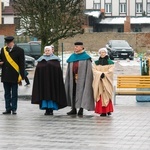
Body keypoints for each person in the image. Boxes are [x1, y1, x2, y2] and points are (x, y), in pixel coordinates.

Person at [31, 46, 67, 115]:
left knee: (52, 93)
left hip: (52, 82)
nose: (47, 52)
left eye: (48, 50)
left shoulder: (56, 60)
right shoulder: (41, 60)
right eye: (46, 50)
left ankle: (51, 109)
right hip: (43, 82)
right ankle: (46, 109)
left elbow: (58, 71)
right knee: (44, 94)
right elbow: (38, 71)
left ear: (52, 51)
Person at [65, 42, 94, 116]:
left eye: (77, 47)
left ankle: (81, 109)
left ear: (82, 47)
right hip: (73, 77)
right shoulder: (72, 56)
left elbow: (89, 70)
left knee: (82, 93)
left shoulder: (86, 57)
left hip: (82, 78)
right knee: (73, 92)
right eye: (75, 47)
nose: (75, 48)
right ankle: (73, 109)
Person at [0, 36, 25, 115]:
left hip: (15, 75)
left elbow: (22, 64)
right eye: (7, 43)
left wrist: (22, 75)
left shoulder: (20, 50)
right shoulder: (3, 50)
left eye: (9, 43)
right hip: (6, 74)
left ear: (12, 42)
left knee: (14, 93)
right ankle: (8, 108)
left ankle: (14, 108)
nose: (8, 45)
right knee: (7, 93)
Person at [92, 47, 114, 117]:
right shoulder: (96, 62)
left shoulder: (110, 62)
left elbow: (111, 71)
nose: (102, 54)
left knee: (107, 95)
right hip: (99, 81)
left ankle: (108, 110)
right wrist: (100, 74)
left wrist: (104, 74)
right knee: (100, 95)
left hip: (107, 81)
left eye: (103, 52)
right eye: (101, 52)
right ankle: (102, 111)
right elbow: (94, 70)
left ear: (106, 53)